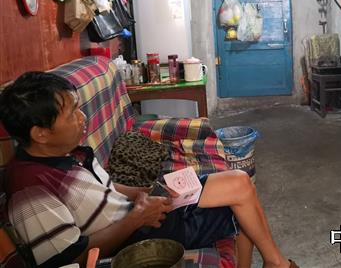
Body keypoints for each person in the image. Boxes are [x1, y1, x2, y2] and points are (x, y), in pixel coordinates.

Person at [0, 72, 298, 268]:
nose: (82, 117)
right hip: (136, 237)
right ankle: (277, 263)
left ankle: (275, 262)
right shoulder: (30, 189)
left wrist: (146, 191)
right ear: (40, 133)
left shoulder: (68, 153)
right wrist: (136, 218)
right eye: (71, 114)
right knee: (238, 202)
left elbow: (107, 189)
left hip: (140, 215)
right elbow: (68, 258)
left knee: (241, 183)